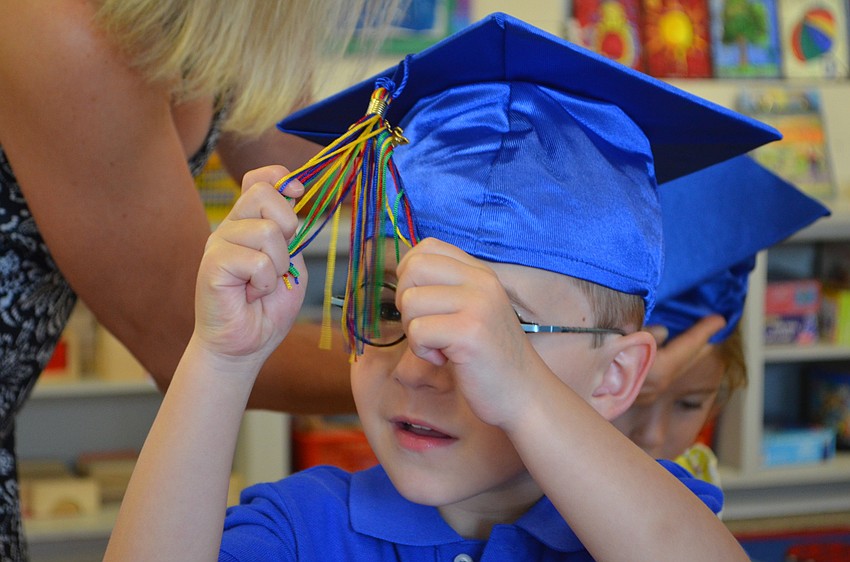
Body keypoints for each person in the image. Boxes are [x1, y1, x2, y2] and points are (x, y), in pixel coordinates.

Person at [105, 13, 782, 561]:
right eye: (385, 307)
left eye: (492, 335)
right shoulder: (303, 529)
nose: (416, 365)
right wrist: (221, 362)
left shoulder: (635, 522)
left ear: (616, 376)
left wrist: (524, 393)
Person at [0, 1, 400, 557]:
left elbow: (327, 170)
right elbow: (189, 340)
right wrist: (426, 367)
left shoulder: (220, 22)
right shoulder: (59, 25)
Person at [614, 155, 830, 483]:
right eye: (630, 397)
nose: (652, 436)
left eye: (689, 404)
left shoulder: (698, 478)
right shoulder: (523, 485)